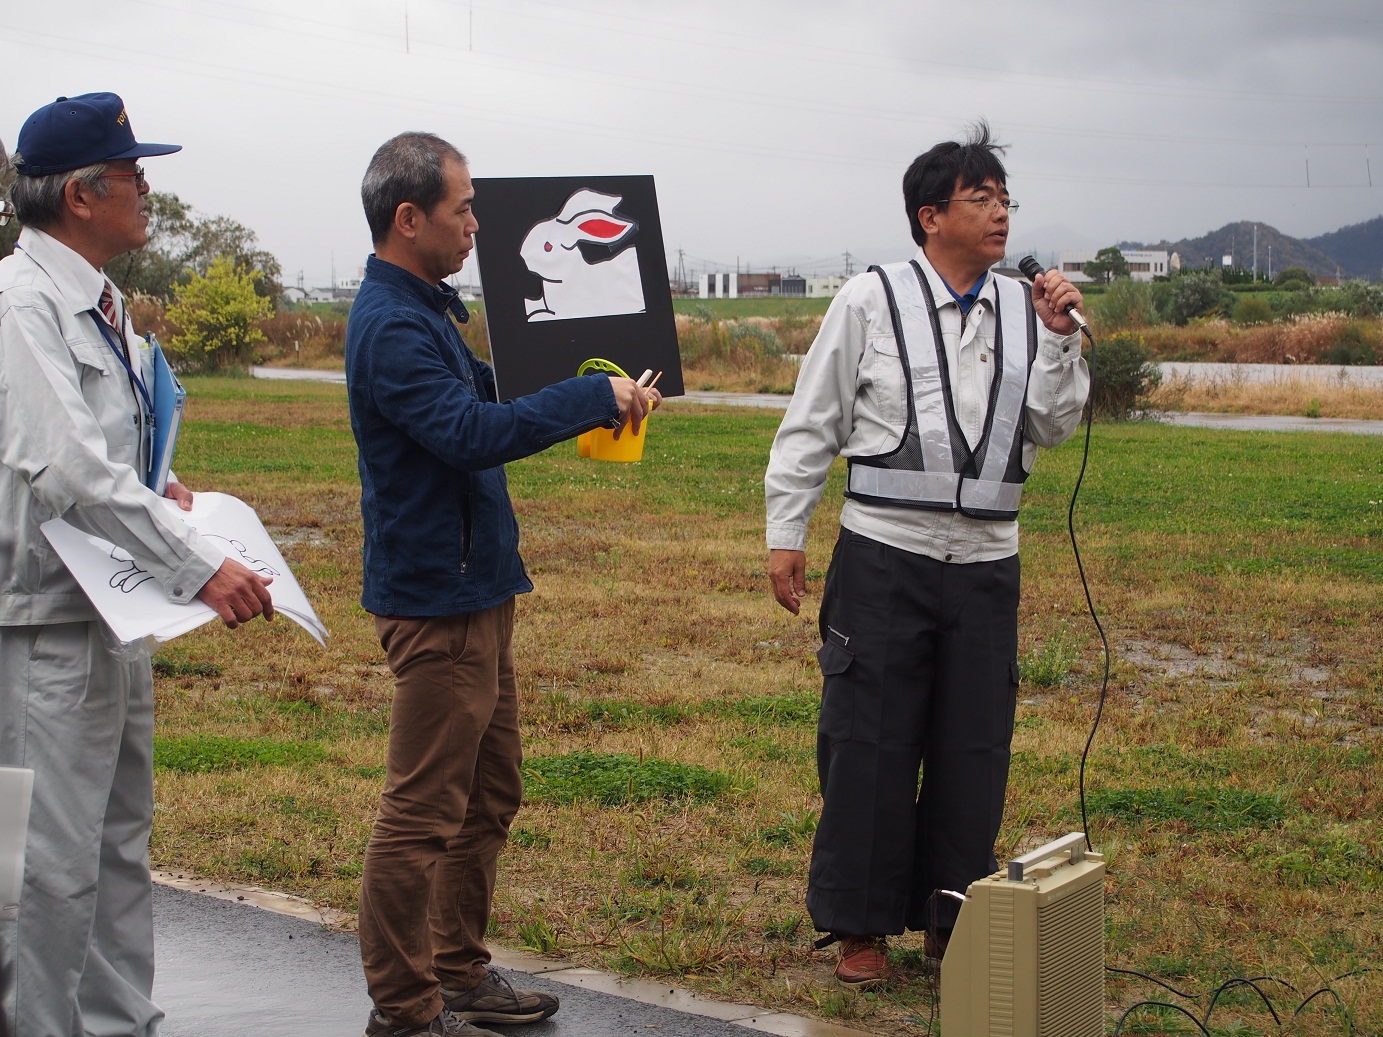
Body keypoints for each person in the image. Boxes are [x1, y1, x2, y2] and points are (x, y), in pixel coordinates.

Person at [345, 132, 659, 1037]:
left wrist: (599, 383)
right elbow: (468, 432)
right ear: (410, 218)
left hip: (477, 587)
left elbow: (489, 393)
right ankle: (405, 1010)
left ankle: (457, 971)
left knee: (488, 794)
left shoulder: (428, 312)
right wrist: (588, 401)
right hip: (436, 604)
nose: (477, 223)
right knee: (421, 812)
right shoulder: (391, 323)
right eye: (464, 208)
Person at [763, 122, 1090, 988]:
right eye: (980, 198)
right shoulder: (868, 301)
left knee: (972, 746)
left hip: (986, 563)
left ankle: (955, 922)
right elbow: (812, 422)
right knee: (866, 740)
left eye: (1005, 199)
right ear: (928, 215)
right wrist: (784, 531)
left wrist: (1059, 337)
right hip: (883, 556)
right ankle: (859, 927)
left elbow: (1053, 425)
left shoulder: (1027, 308)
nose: (1000, 215)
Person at [0, 93, 275, 1037]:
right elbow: (68, 469)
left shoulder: (101, 303)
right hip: (44, 628)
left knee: (118, 849)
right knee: (45, 864)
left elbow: (106, 455)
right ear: (82, 194)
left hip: (113, 615)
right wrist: (196, 564)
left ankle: (119, 1024)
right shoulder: (21, 302)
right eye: (131, 173)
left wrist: (166, 494)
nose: (147, 188)